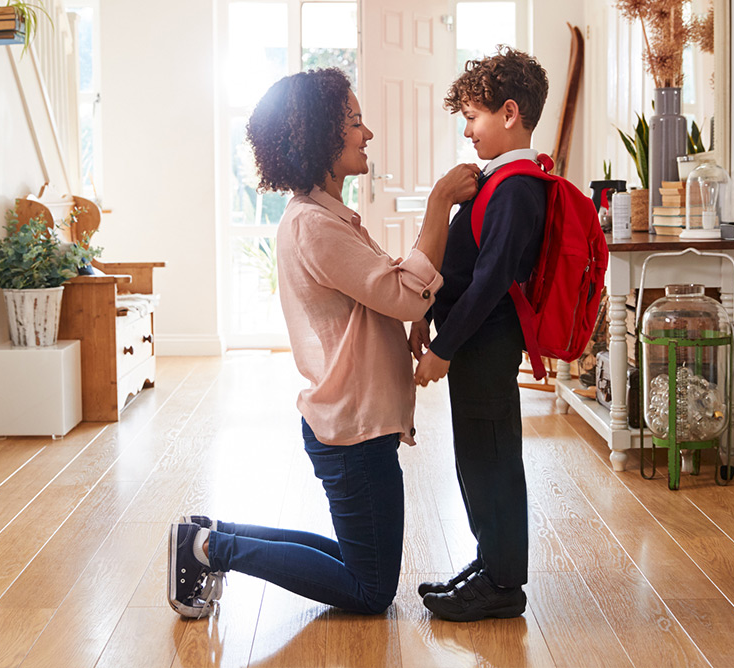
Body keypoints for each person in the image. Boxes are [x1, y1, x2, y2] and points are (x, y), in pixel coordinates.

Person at [168, 68, 479, 619]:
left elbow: (382, 295)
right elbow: (405, 293)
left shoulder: (326, 217)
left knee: (361, 562)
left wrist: (408, 314)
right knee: (371, 588)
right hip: (353, 432)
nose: (368, 134)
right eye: (355, 122)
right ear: (319, 139)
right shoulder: (316, 226)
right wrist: (439, 204)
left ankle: (210, 534)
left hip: (354, 424)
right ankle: (212, 549)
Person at [411, 46, 550, 622]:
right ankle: (490, 563)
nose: (467, 130)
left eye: (473, 117)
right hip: (474, 342)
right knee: (475, 456)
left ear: (509, 112)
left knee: (492, 459)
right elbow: (465, 265)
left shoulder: (518, 186)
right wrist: (427, 312)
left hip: (485, 344)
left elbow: (492, 280)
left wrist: (444, 348)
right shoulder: (497, 180)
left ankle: (503, 585)